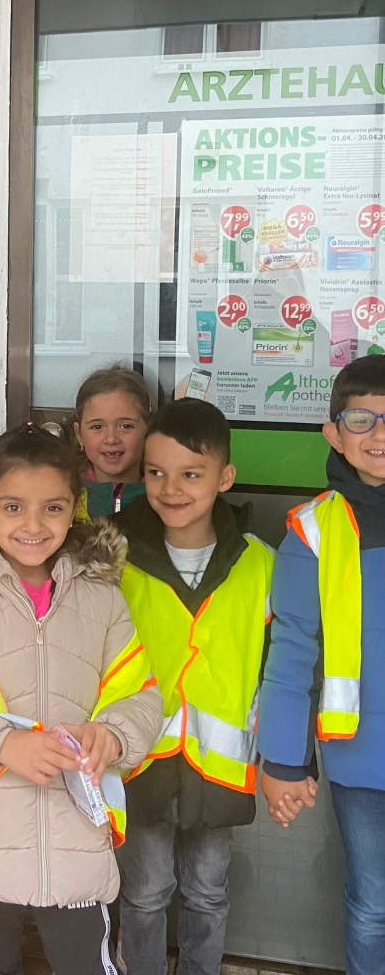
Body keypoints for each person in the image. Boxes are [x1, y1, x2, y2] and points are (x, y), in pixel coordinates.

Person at [0, 423, 163, 975]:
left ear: (74, 509)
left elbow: (141, 692)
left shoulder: (103, 597)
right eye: (13, 507)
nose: (34, 525)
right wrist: (2, 744)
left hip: (76, 830)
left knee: (85, 964)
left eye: (53, 508)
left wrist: (113, 733)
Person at [113, 399, 274, 975]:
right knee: (144, 892)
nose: (170, 488)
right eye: (156, 472)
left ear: (224, 478)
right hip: (139, 757)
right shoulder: (116, 558)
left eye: (191, 474)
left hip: (219, 763)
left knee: (208, 891)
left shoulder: (259, 563)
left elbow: (278, 664)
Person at [258, 354, 385, 975]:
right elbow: (292, 653)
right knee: (374, 905)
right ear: (333, 433)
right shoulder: (313, 532)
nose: (380, 434)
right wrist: (285, 761)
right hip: (364, 758)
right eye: (362, 419)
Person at [72, 365, 152, 520]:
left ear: (148, 431)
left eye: (126, 426)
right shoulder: (66, 492)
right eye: (97, 427)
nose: (111, 439)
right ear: (79, 434)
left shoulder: (163, 494)